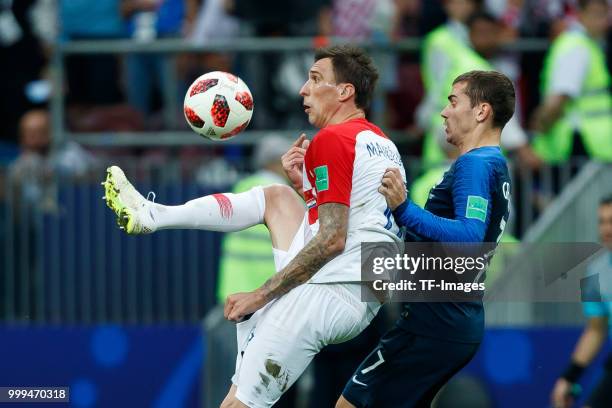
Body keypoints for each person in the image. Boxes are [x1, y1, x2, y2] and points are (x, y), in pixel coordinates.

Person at [103, 45, 406, 407]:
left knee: (238, 405)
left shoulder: (333, 140)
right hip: (361, 295)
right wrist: (306, 190)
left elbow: (332, 239)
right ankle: (153, 215)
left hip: (326, 293)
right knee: (277, 198)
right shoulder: (380, 142)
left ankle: (153, 217)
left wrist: (260, 295)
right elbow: (355, 223)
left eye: (315, 80)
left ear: (344, 92)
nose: (302, 90)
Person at [337, 70, 513, 407]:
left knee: (350, 403)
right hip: (448, 321)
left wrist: (403, 208)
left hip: (434, 325)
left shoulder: (474, 166)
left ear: (481, 111)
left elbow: (469, 237)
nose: (444, 112)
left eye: (453, 101)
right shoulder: (493, 164)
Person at [531, 0, 612, 163]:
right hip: (579, 143)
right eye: (597, 14)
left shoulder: (587, 44)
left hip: (589, 144)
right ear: (580, 14)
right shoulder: (576, 47)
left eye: (605, 15)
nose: (604, 22)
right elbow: (558, 100)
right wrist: (537, 134)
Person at [550, 196, 612, 408]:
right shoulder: (594, 272)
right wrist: (569, 377)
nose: (606, 228)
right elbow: (596, 329)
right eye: (602, 221)